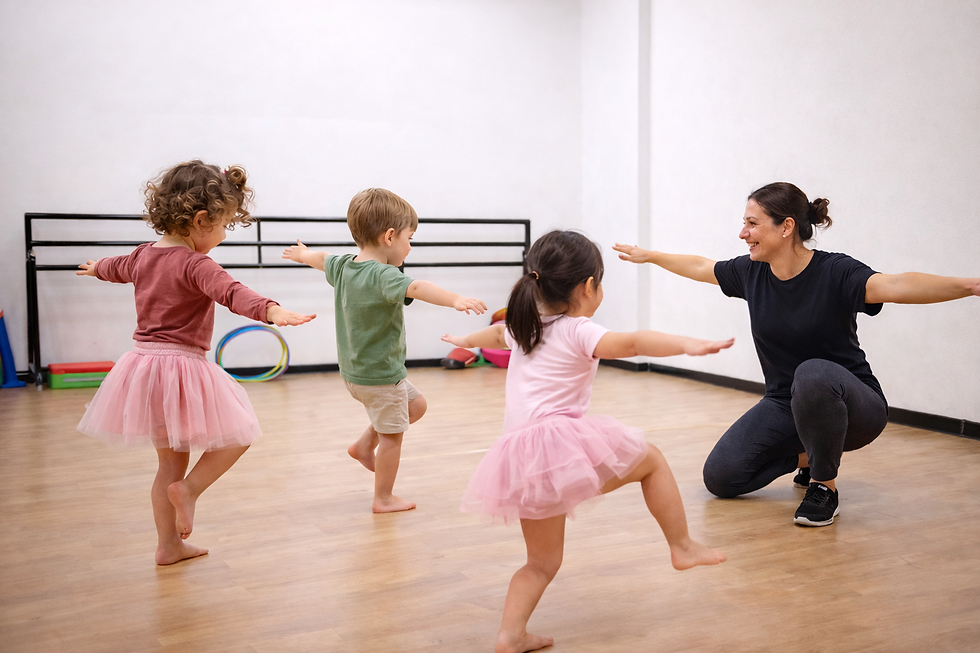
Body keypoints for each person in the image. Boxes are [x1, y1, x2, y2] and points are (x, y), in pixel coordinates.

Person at [614, 181, 980, 527]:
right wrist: (652, 256)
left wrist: (969, 286)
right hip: (784, 403)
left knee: (813, 373)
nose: (743, 233)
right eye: (744, 223)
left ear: (786, 226)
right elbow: (702, 267)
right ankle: (809, 455)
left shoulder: (835, 272)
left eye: (753, 223)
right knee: (721, 477)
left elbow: (897, 284)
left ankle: (824, 485)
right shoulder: (751, 272)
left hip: (855, 408)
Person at [443, 230, 729, 653]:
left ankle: (510, 635)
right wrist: (687, 344)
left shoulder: (523, 327)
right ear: (588, 287)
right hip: (557, 448)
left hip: (518, 460)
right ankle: (682, 547)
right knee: (651, 460)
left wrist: (465, 340)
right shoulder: (578, 330)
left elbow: (494, 334)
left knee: (541, 563)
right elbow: (632, 343)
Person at [76, 160, 315, 565]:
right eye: (223, 226)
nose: (222, 236)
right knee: (239, 434)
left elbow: (116, 267)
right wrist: (272, 311)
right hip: (181, 366)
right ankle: (189, 491)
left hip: (143, 367)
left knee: (168, 463)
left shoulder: (142, 256)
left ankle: (169, 546)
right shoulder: (195, 264)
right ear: (201, 220)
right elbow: (231, 292)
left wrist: (98, 268)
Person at [282, 188, 487, 513]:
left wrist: (303, 254)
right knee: (393, 435)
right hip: (379, 376)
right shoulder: (384, 274)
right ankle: (383, 498)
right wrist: (455, 300)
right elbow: (418, 288)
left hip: (357, 373)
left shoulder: (344, 266)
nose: (410, 246)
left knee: (415, 406)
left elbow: (321, 259)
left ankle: (364, 445)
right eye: (410, 238)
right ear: (389, 236)